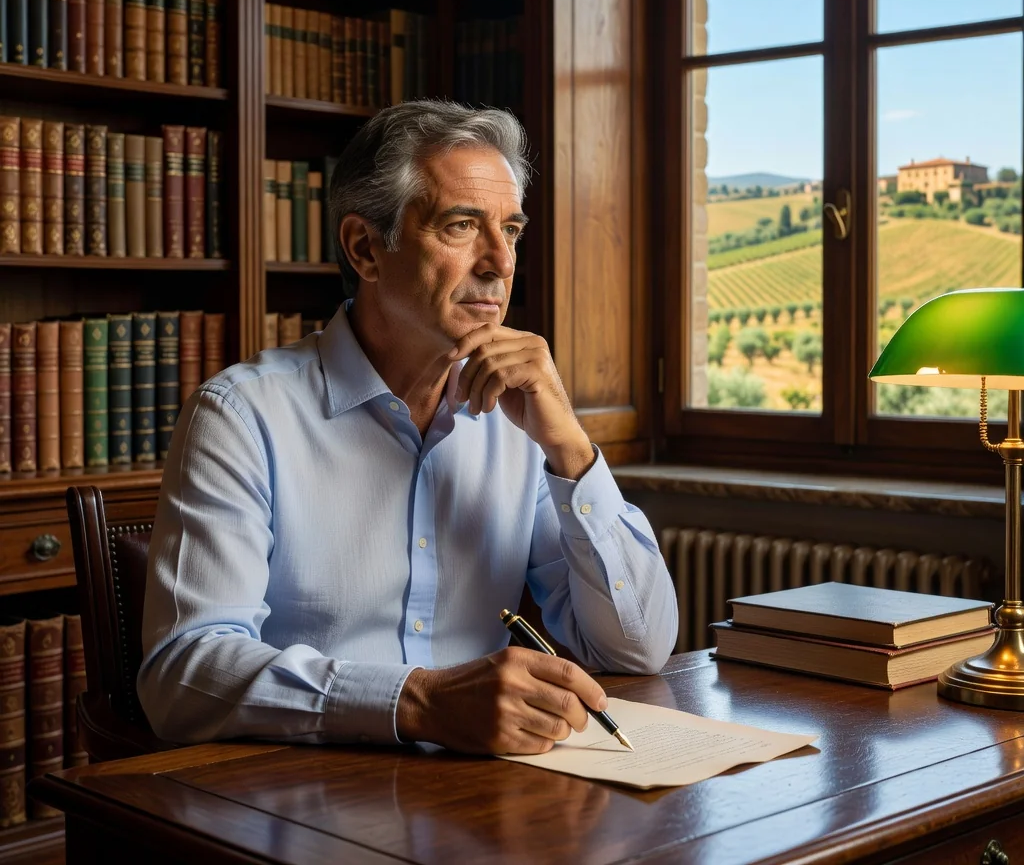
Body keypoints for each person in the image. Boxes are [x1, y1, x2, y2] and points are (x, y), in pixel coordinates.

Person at [137, 100, 678, 755]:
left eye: (510, 230)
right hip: (303, 789)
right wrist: (418, 702)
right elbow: (183, 674)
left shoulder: (521, 419)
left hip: (489, 789)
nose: (501, 262)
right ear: (366, 249)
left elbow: (638, 648)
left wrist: (570, 448)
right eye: (461, 226)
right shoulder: (242, 416)